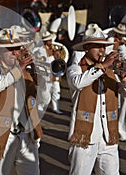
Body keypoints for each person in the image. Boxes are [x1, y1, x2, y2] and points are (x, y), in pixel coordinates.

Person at [66, 23, 126, 175]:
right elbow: (78, 83)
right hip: (84, 137)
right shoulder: (76, 68)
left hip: (108, 137)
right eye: (97, 46)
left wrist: (124, 79)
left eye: (104, 46)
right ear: (86, 48)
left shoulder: (110, 72)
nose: (102, 50)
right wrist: (104, 66)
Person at [0, 28, 42, 175]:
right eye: (9, 49)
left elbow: (38, 96)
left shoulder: (25, 71)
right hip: (3, 135)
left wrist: (33, 69)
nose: (15, 53)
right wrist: (17, 70)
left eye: (16, 48)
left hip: (26, 135)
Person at [34, 31, 64, 114]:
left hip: (55, 72)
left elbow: (59, 59)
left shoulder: (53, 48)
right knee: (45, 91)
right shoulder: (41, 50)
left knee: (56, 90)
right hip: (46, 73)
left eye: (51, 40)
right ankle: (41, 105)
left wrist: (57, 55)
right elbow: (42, 62)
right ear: (45, 41)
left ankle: (55, 107)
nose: (51, 42)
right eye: (49, 40)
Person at [107, 20, 126, 141]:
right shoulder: (112, 42)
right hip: (111, 72)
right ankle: (119, 128)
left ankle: (120, 127)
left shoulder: (122, 45)